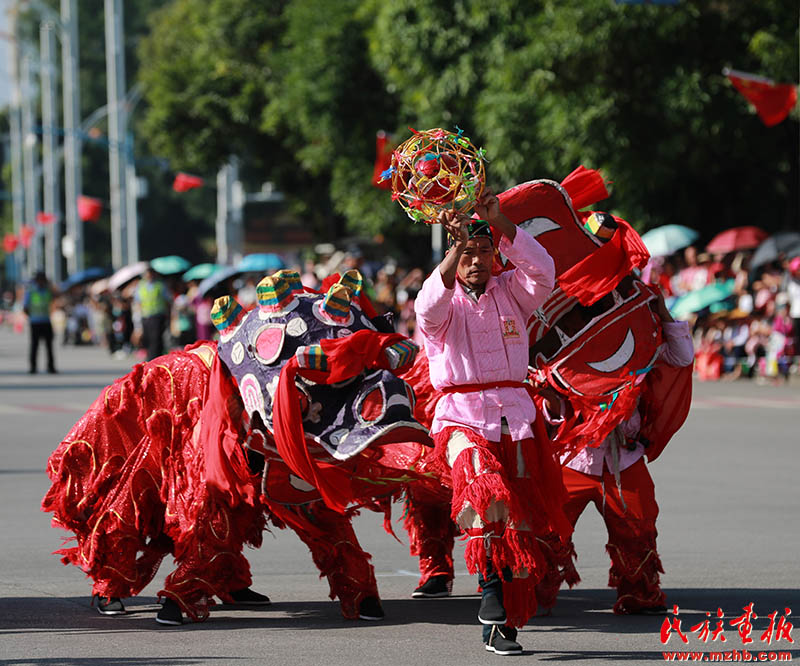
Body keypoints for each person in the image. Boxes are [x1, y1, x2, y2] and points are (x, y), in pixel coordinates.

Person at [415, 192, 570, 656]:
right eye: (467, 253)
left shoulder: (514, 292)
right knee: (484, 495)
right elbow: (426, 309)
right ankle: (488, 593)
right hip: (460, 419)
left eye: (484, 251)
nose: (476, 260)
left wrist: (498, 220)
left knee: (517, 520)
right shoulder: (442, 305)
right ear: (454, 260)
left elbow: (545, 271)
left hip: (515, 419)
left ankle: (500, 623)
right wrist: (452, 249)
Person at [537, 289, 694, 615]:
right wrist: (551, 401)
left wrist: (662, 312)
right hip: (575, 457)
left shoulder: (638, 341)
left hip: (624, 456)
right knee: (548, 530)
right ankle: (535, 596)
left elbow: (681, 357)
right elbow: (547, 407)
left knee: (638, 527)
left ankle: (640, 594)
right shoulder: (563, 346)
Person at [135, 266, 171, 360]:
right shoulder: (141, 285)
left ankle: (154, 358)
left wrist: (169, 315)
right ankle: (149, 356)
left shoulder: (160, 285)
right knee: (147, 338)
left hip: (158, 315)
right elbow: (138, 301)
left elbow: (167, 300)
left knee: (156, 339)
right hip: (145, 316)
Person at [24, 271, 57, 374]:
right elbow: (25, 307)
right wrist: (32, 317)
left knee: (49, 346)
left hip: (46, 321)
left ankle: (51, 367)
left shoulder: (48, 290)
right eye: (40, 280)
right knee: (34, 346)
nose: (42, 282)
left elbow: (57, 296)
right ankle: (33, 367)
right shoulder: (31, 291)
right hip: (35, 322)